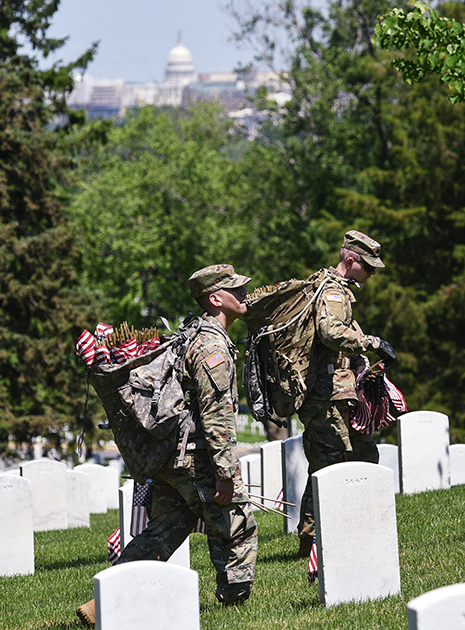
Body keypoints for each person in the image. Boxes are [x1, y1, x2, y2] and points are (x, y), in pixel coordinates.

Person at [77, 264, 258, 626]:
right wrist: (225, 474)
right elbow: (217, 415)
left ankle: (103, 604)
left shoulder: (193, 334)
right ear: (215, 298)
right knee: (237, 527)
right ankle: (237, 612)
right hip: (196, 459)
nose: (244, 295)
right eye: (236, 290)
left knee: (165, 531)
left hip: (171, 457)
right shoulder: (211, 345)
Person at [297, 230, 397, 558]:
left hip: (339, 391)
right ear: (350, 260)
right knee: (330, 466)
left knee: (360, 455)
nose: (371, 274)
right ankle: (313, 541)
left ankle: (347, 529)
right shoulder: (332, 291)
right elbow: (329, 332)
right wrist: (371, 342)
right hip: (324, 396)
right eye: (368, 267)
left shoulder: (342, 291)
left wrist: (363, 364)